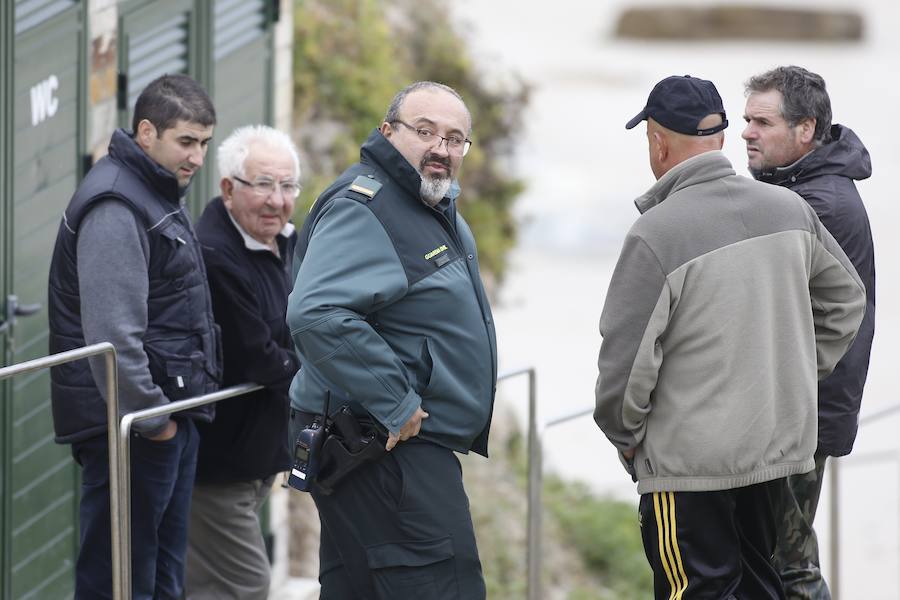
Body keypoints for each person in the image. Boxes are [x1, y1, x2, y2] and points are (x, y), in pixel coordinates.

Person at [593, 75, 867, 599]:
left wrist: (626, 438)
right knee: (762, 587)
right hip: (771, 453)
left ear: (657, 140)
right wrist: (792, 376)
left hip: (687, 471)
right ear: (720, 138)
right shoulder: (788, 209)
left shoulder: (656, 232)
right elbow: (846, 302)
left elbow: (625, 364)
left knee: (693, 591)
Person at [286, 81, 496, 599]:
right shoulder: (368, 206)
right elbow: (316, 313)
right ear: (387, 131)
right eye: (424, 132)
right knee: (444, 585)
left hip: (396, 445)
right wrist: (398, 402)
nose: (440, 149)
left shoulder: (429, 203)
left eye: (454, 138)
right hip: (388, 445)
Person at [47, 74, 219, 599]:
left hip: (161, 417)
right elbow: (113, 338)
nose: (197, 157)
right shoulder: (116, 205)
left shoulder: (153, 188)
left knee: (161, 575)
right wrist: (155, 423)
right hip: (130, 426)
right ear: (147, 132)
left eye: (205, 144)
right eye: (186, 141)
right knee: (119, 578)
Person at [742, 65, 876, 599]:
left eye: (762, 122)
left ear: (805, 129)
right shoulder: (800, 189)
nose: (747, 132)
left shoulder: (820, 205)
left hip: (802, 414)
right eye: (746, 120)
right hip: (794, 407)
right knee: (774, 556)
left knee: (787, 564)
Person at [185, 125, 302, 599]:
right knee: (248, 584)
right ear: (229, 189)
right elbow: (256, 355)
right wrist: (325, 377)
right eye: (264, 185)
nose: (277, 200)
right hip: (217, 464)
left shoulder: (284, 242)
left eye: (288, 185)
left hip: (254, 457)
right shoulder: (216, 254)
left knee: (208, 586)